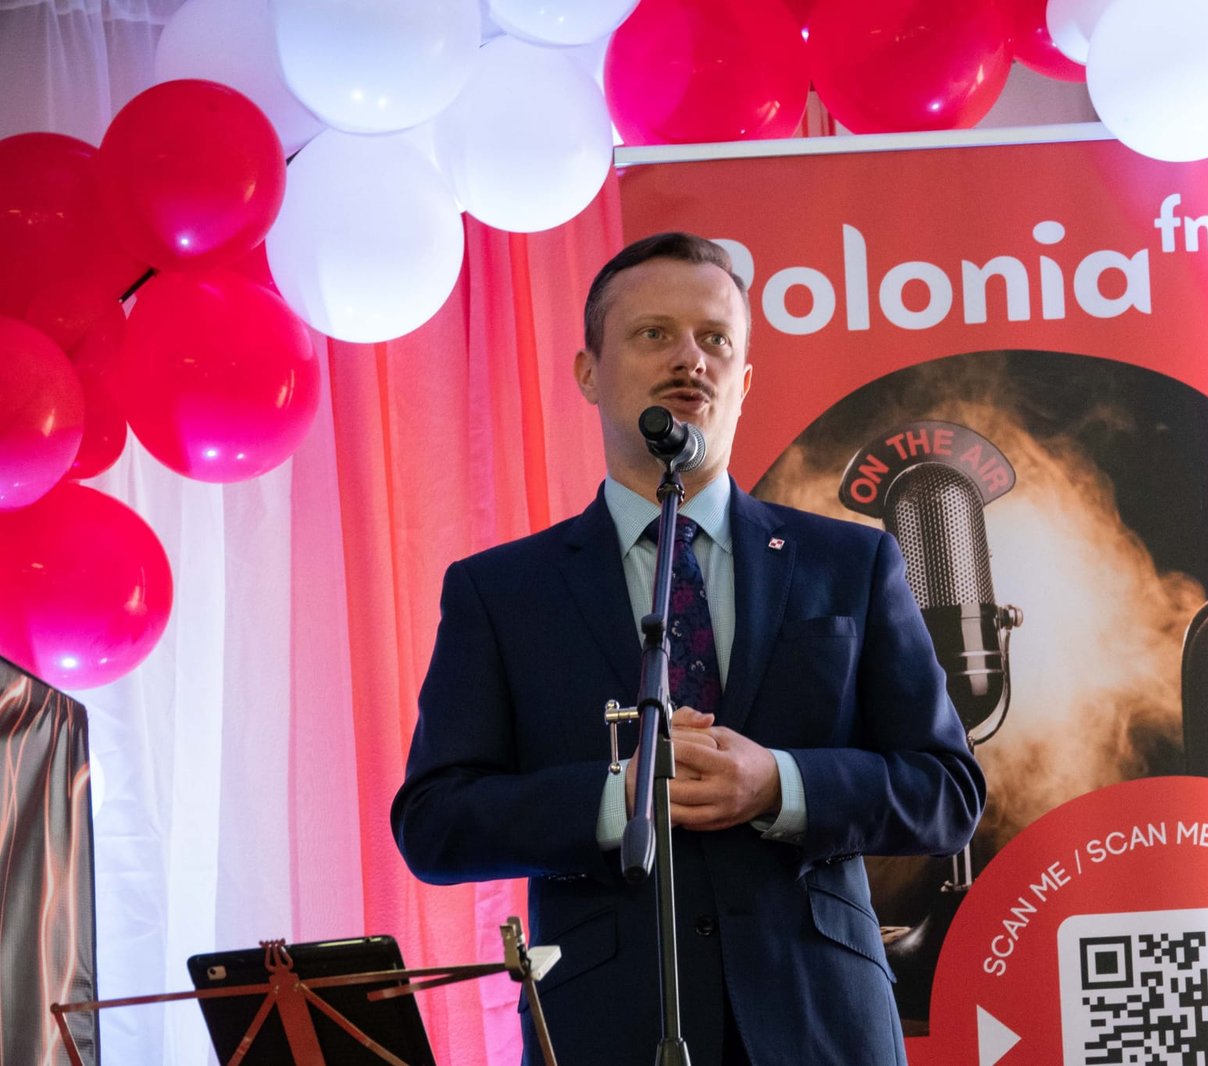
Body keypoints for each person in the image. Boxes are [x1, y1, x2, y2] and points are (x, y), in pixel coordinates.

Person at [391, 232, 985, 1066]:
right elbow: (434, 823)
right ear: (588, 373)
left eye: (715, 339)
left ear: (744, 383)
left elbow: (947, 792)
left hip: (821, 1026)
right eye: (654, 333)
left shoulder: (852, 563)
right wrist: (620, 800)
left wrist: (779, 783)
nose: (690, 360)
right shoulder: (501, 592)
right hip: (607, 1034)